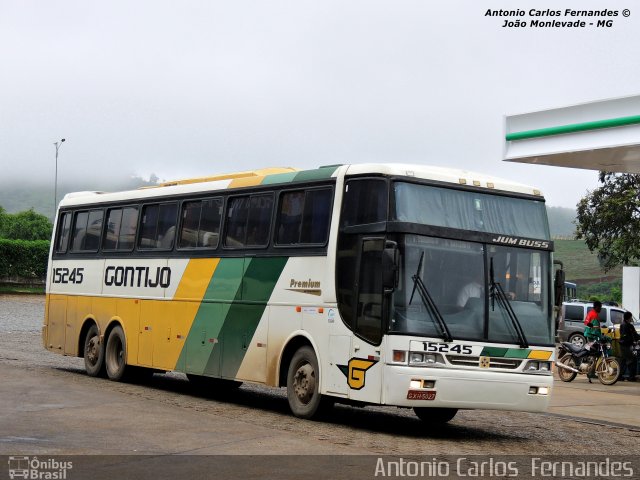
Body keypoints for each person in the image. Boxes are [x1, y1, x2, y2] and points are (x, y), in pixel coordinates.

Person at [619, 311, 640, 381]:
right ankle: (631, 377)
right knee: (632, 360)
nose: (631, 318)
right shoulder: (627, 325)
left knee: (624, 360)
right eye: (631, 317)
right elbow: (627, 336)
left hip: (623, 345)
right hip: (626, 345)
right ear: (629, 317)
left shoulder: (623, 324)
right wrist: (633, 342)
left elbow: (635, 335)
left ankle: (620, 376)